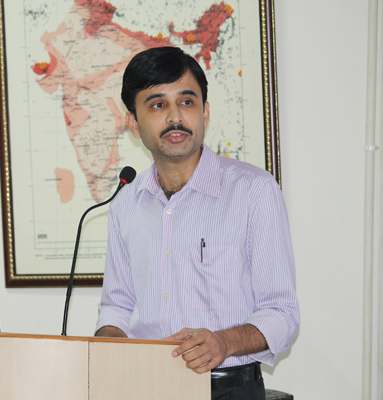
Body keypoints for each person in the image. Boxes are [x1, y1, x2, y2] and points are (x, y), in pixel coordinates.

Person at [95, 46, 300, 399]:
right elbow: (117, 307)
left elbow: (282, 312)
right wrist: (106, 345)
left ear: (204, 111)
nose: (175, 116)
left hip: (229, 390)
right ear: (133, 123)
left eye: (187, 102)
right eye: (157, 105)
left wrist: (223, 342)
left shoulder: (254, 191)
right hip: (144, 387)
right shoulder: (126, 203)